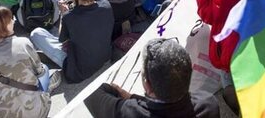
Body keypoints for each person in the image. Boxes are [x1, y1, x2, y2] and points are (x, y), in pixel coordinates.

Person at [85, 38, 219, 118]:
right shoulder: (208, 104)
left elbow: (90, 94)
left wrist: (125, 97)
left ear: (147, 85)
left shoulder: (129, 112)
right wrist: (132, 98)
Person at [0, 7, 57, 118]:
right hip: (36, 112)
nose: (13, 21)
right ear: (3, 26)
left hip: (1, 114)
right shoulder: (23, 43)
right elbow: (39, 71)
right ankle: (47, 90)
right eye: (10, 19)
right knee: (44, 68)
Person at [30, 0, 114, 83]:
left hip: (79, 69)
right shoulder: (107, 5)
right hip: (103, 57)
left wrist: (63, 14)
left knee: (36, 33)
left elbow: (62, 40)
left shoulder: (69, 17)